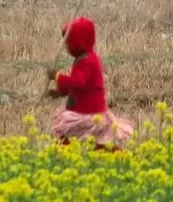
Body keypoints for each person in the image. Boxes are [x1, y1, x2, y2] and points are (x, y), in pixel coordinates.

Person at [45, 17, 134, 149]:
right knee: (92, 142)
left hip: (88, 113)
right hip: (84, 109)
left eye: (68, 42)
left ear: (77, 43)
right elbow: (78, 88)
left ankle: (59, 157)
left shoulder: (87, 61)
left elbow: (78, 83)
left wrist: (57, 76)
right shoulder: (84, 59)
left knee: (74, 138)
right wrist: (60, 92)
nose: (66, 46)